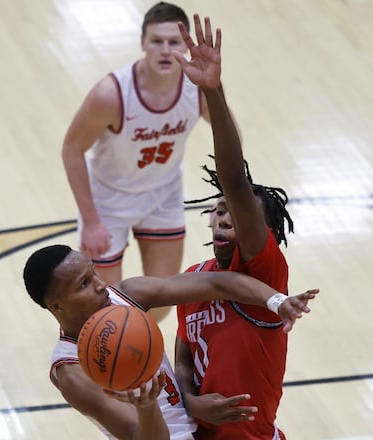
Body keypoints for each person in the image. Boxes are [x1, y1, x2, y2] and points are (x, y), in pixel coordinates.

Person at [22, 244, 317, 440]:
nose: (100, 284)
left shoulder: (124, 295)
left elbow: (215, 283)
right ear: (57, 307)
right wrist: (148, 406)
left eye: (93, 272)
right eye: (84, 284)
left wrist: (277, 301)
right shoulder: (72, 373)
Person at [172, 14, 299, 439]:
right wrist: (189, 399)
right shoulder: (194, 280)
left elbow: (233, 177)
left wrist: (213, 91)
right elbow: (184, 353)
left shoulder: (264, 272)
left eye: (237, 212)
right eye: (217, 209)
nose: (224, 215)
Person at [61, 2, 213, 321]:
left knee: (160, 304)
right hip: (109, 200)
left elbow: (230, 132)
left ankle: (138, 357)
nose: (165, 50)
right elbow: (72, 150)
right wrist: (90, 221)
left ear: (186, 45)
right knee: (105, 313)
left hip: (163, 194)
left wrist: (216, 90)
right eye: (157, 41)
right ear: (142, 42)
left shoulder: (196, 87)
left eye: (174, 42)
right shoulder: (111, 94)